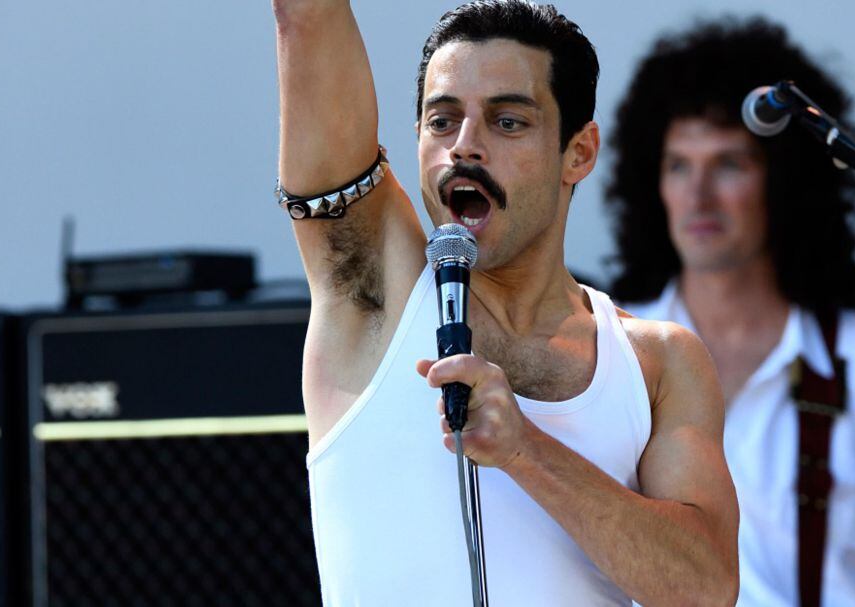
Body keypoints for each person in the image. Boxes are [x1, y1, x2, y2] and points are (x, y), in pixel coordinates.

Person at [271, 1, 739, 605]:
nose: (465, 147)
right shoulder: (372, 290)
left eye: (508, 122)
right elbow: (306, 15)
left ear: (579, 152)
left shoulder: (658, 361)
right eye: (441, 122)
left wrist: (527, 451)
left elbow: (704, 588)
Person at [607, 17, 855, 607]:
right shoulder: (602, 355)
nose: (699, 194)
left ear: (785, 184)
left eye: (730, 164)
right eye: (678, 165)